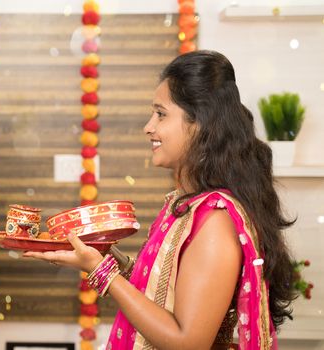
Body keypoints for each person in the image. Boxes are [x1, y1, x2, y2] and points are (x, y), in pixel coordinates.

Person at [25, 50, 297, 349]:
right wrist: (106, 257)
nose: (149, 126)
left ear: (200, 124)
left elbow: (188, 341)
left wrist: (101, 272)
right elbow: (165, 291)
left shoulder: (215, 222)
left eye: (161, 114)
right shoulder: (186, 204)